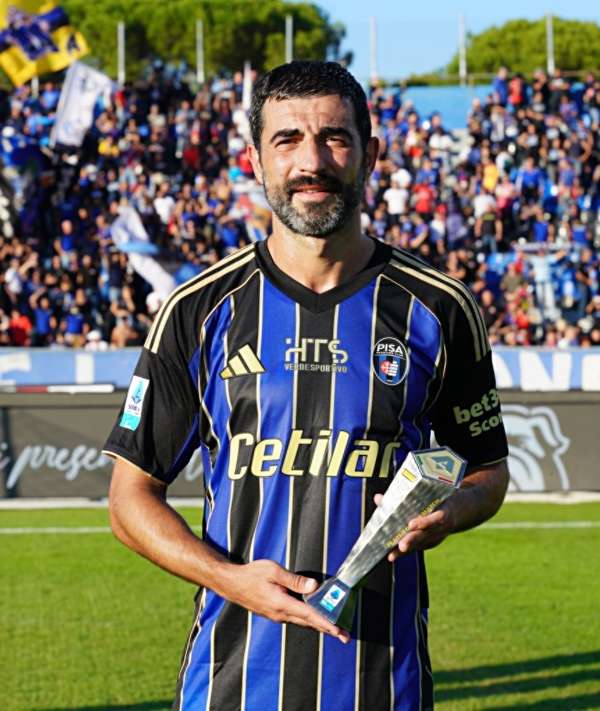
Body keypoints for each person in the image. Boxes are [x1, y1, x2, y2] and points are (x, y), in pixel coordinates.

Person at [104, 60, 509, 711]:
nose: (311, 161)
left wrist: (451, 510)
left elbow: (487, 469)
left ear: (370, 153)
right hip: (232, 685)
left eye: (334, 138)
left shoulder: (439, 307)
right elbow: (129, 498)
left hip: (384, 685)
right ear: (256, 159)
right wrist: (231, 579)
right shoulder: (197, 311)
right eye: (287, 140)